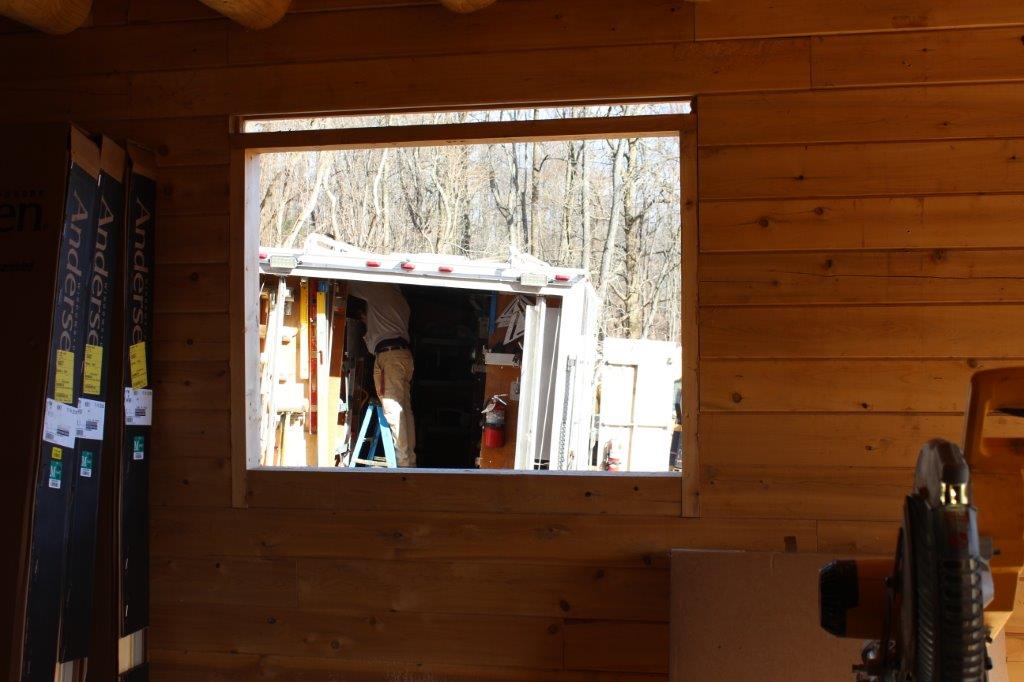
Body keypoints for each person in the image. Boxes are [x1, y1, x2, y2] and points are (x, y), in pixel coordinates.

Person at [347, 281, 416, 467]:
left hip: (389, 356)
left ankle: (404, 463)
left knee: (393, 409)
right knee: (404, 409)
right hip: (400, 355)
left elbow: (348, 284)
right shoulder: (398, 298)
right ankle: (409, 459)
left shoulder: (378, 288)